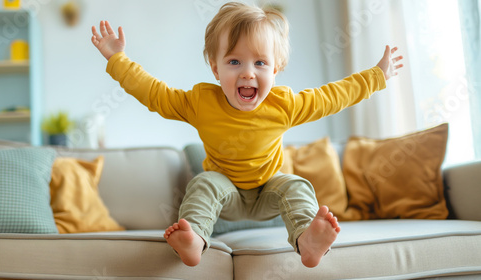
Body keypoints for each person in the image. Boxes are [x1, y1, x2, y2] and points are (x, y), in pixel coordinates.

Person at [91, 2, 403, 268]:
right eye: (234, 61)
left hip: (269, 193)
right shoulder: (201, 103)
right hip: (224, 195)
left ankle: (307, 241)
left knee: (296, 184)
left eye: (260, 62)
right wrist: (117, 60)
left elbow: (333, 96)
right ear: (215, 68)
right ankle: (195, 239)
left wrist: (376, 75)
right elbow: (154, 93)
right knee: (203, 182)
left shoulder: (285, 105)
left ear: (276, 68)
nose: (247, 72)